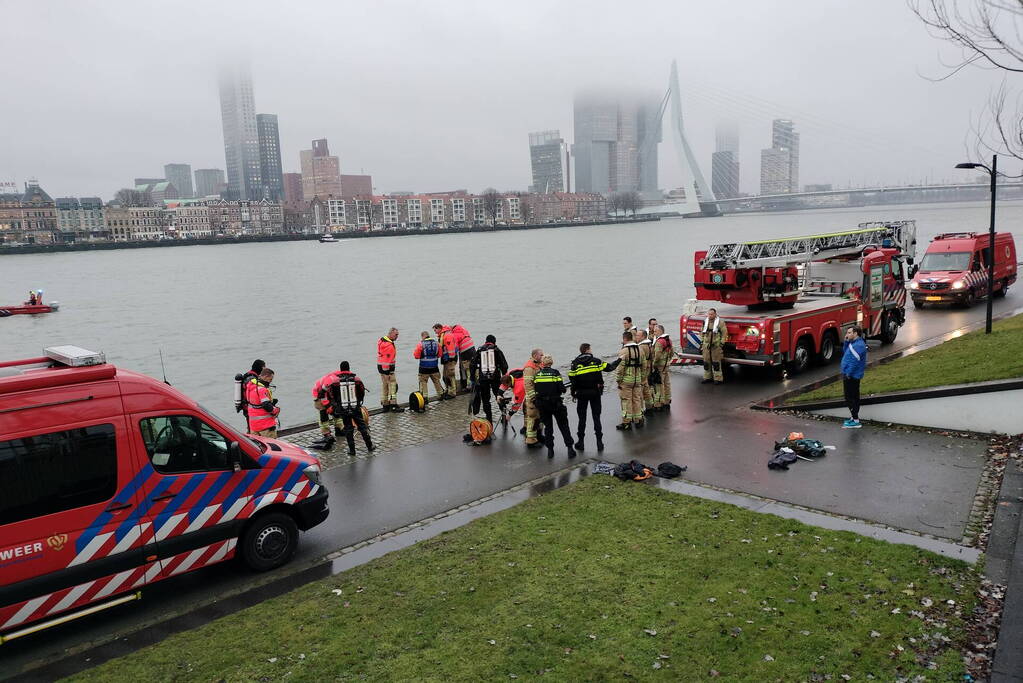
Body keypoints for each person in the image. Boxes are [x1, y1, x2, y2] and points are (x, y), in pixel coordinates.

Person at [568, 343, 621, 451]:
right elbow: (610, 367)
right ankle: (599, 442)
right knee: (596, 417)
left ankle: (581, 442)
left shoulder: (575, 364)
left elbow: (572, 381)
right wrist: (620, 359)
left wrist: (573, 394)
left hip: (581, 394)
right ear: (587, 350)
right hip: (595, 393)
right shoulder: (596, 361)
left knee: (582, 419)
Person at [533, 355, 576, 459]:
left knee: (548, 428)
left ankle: (550, 451)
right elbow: (561, 388)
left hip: (543, 405)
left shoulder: (537, 375)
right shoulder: (555, 373)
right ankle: (570, 449)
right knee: (563, 426)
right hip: (556, 404)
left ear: (543, 363)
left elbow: (536, 389)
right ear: (551, 363)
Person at [470, 334, 508, 425]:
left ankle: (489, 419)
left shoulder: (479, 350)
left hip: (483, 379)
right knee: (498, 396)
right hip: (495, 378)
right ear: (494, 341)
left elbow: (472, 365)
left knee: (485, 399)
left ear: (485, 341)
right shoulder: (496, 350)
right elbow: (504, 366)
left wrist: (472, 378)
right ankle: (504, 416)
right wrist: (504, 377)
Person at [311, 364, 345, 448]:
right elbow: (322, 395)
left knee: (336, 411)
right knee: (323, 414)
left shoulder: (341, 378)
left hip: (328, 394)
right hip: (319, 393)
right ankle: (327, 434)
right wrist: (328, 406)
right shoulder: (330, 381)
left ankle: (339, 430)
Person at [616, 331, 644, 430]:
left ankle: (626, 423)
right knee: (636, 399)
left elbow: (620, 368)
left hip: (626, 381)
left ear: (625, 339)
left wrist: (618, 380)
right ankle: (638, 420)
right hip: (637, 380)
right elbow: (644, 365)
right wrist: (642, 378)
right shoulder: (640, 349)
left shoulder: (624, 351)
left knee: (626, 401)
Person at [841, 326, 867, 428]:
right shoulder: (854, 344)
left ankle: (855, 421)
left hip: (851, 375)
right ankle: (854, 417)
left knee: (850, 398)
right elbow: (846, 352)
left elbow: (854, 362)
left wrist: (848, 373)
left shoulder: (858, 346)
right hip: (851, 374)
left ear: (856, 333)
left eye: (849, 333)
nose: (847, 335)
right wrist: (846, 342)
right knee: (853, 396)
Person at [244, 367, 280, 438]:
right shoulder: (262, 389)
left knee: (257, 447)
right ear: (266, 377)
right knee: (272, 446)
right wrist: (276, 410)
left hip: (253, 426)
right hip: (265, 426)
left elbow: (255, 403)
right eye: (270, 379)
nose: (270, 381)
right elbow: (266, 406)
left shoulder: (250, 387)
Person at [413, 330, 444, 403]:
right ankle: (440, 395)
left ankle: (424, 398)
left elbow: (416, 356)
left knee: (423, 382)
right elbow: (440, 355)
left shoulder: (421, 344)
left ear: (423, 337)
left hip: (424, 367)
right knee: (436, 381)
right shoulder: (437, 343)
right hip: (434, 367)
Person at [522, 348, 545, 447]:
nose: (542, 357)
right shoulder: (529, 368)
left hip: (539, 396)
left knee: (540, 417)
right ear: (535, 355)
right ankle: (530, 440)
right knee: (533, 418)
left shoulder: (539, 365)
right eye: (541, 355)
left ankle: (538, 435)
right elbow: (528, 384)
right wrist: (533, 398)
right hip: (533, 398)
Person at [377, 327, 403, 412]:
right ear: (391, 333)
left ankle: (385, 404)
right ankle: (393, 405)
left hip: (380, 367)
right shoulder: (389, 346)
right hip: (388, 370)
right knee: (393, 386)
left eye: (398, 335)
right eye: (396, 334)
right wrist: (387, 372)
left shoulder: (381, 341)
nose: (397, 336)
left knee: (385, 385)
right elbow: (387, 360)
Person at [235, 358, 266, 431]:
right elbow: (253, 394)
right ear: (260, 367)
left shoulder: (248, 375)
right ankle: (249, 441)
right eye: (264, 367)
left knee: (251, 426)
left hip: (246, 406)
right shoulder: (252, 379)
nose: (264, 370)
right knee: (252, 428)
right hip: (249, 408)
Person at [651, 324, 674, 410]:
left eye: (655, 331)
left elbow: (657, 355)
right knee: (667, 384)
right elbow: (672, 352)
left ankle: (659, 403)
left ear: (660, 331)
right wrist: (667, 360)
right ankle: (667, 400)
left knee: (659, 384)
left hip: (660, 366)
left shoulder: (659, 342)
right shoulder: (669, 340)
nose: (654, 333)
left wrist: (654, 364)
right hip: (666, 365)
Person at [701, 308, 727, 385]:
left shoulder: (720, 323)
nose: (710, 315)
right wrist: (702, 343)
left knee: (716, 363)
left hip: (716, 346)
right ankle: (707, 378)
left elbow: (724, 334)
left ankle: (718, 379)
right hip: (706, 346)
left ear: (715, 314)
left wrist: (721, 343)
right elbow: (702, 333)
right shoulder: (705, 322)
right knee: (706, 363)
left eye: (712, 314)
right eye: (709, 314)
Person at [434, 323, 458, 398]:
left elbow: (450, 347)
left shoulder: (447, 335)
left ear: (439, 328)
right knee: (445, 376)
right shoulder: (443, 335)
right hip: (446, 358)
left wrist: (451, 358)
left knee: (450, 375)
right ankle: (448, 390)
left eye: (435, 330)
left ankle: (452, 392)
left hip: (450, 359)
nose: (435, 331)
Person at [450, 323, 475, 390]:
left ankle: (469, 386)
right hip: (472, 348)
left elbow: (456, 347)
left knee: (467, 369)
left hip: (465, 351)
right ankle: (475, 383)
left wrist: (453, 356)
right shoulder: (464, 330)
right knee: (473, 367)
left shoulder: (454, 334)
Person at [636, 329, 655, 414]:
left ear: (643, 336)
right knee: (647, 390)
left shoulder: (641, 347)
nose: (636, 337)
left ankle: (639, 411)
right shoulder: (649, 344)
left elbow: (640, 360)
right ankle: (649, 407)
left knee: (640, 391)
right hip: (649, 368)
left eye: (638, 335)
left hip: (643, 371)